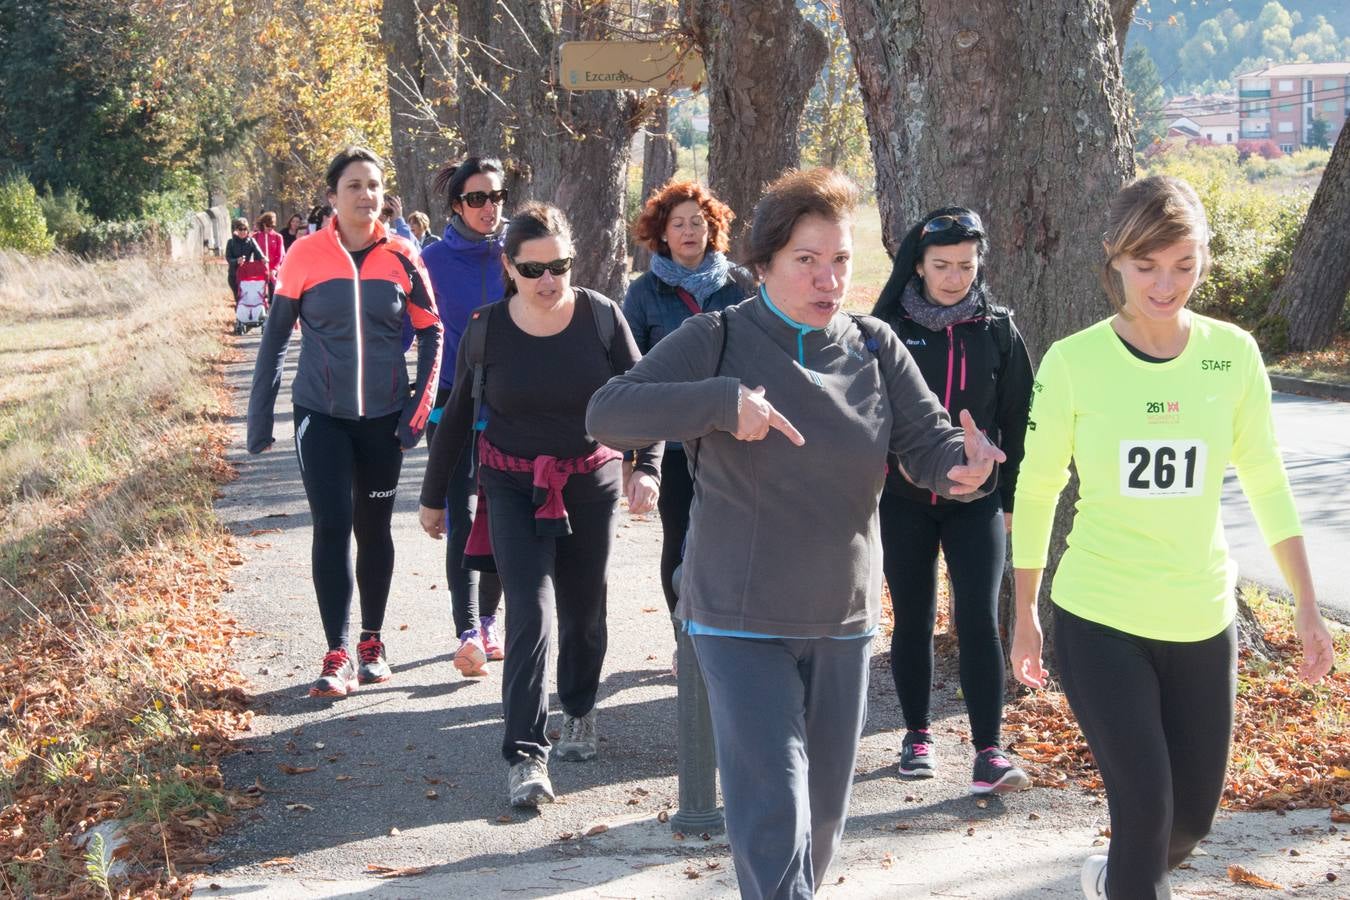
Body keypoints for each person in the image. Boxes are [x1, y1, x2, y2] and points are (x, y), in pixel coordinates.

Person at [587, 168, 1006, 899]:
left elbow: (930, 447)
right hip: (738, 619)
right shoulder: (717, 337)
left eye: (839, 259)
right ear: (764, 266)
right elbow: (608, 413)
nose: (828, 278)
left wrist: (966, 471)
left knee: (821, 823)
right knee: (774, 809)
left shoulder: (875, 346)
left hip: (841, 621)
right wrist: (721, 404)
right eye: (806, 261)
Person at [1008, 174, 1335, 900]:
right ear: (1115, 260)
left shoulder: (1233, 354)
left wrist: (1308, 604)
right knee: (1146, 809)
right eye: (1148, 266)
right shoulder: (1075, 361)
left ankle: (1111, 879)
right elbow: (1036, 488)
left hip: (1200, 615)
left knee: (1188, 823)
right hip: (1100, 616)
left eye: (1184, 265)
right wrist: (1024, 610)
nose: (1166, 284)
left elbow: (1268, 481)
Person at [418, 203, 659, 808]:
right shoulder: (486, 327)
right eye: (533, 270)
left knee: (583, 611)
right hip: (508, 483)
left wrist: (646, 466)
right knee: (530, 611)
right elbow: (455, 417)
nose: (549, 281)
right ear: (509, 267)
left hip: (588, 480)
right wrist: (432, 497)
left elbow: (646, 397)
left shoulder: (601, 317)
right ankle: (525, 755)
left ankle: (578, 708)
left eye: (560, 266)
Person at [247, 146, 443, 699]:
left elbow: (433, 332)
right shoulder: (305, 255)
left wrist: (417, 409)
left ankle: (371, 643)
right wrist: (260, 419)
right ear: (332, 196)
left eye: (374, 185)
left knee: (375, 529)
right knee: (333, 525)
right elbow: (276, 338)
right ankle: (336, 653)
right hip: (321, 415)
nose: (366, 195)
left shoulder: (403, 254)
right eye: (354, 185)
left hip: (383, 418)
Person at [870, 207, 1034, 794]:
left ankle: (989, 750)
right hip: (903, 499)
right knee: (912, 618)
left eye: (966, 265)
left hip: (978, 502)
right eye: (941, 265)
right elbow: (864, 416)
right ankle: (917, 735)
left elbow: (1019, 419)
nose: (955, 277)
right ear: (917, 264)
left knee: (978, 619)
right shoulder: (883, 328)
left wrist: (1009, 500)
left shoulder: (997, 329)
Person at [623, 181, 754, 645]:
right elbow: (631, 372)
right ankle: (686, 637)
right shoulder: (642, 293)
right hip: (672, 441)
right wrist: (637, 457)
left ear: (712, 228)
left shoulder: (740, 283)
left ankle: (730, 634)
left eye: (698, 222)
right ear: (662, 234)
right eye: (677, 224)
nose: (688, 231)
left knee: (733, 537)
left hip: (732, 433)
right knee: (680, 537)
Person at [419, 156, 509, 678]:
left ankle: (490, 619)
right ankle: (467, 628)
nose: (488, 207)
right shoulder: (430, 261)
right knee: (463, 515)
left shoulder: (514, 256)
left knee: (498, 516)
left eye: (495, 196)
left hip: (508, 405)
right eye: (476, 198)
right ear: (456, 204)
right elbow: (411, 329)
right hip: (451, 404)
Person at [225, 217, 264, 300]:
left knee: (248, 299)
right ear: (236, 230)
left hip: (247, 275)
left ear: (247, 230)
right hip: (234, 275)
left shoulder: (251, 241)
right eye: (240, 229)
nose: (243, 232)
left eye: (245, 229)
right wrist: (237, 261)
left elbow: (259, 253)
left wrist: (263, 258)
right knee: (239, 299)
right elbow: (228, 258)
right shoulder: (230, 242)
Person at [252, 211, 287, 291]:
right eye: (268, 225)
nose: (270, 228)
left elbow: (280, 255)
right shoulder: (255, 236)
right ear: (263, 224)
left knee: (274, 294)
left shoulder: (278, 237)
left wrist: (274, 269)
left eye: (272, 226)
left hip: (273, 273)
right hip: (259, 271)